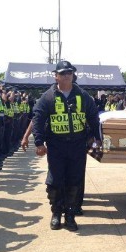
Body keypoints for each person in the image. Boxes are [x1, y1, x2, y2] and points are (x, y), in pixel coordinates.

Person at [31, 60, 101, 231]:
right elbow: (38, 119)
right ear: (56, 76)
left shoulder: (83, 96)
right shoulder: (47, 97)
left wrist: (96, 138)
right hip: (56, 146)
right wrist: (39, 142)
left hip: (77, 146)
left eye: (69, 72)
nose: (66, 75)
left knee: (74, 181)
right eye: (62, 73)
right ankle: (56, 213)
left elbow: (93, 118)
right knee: (55, 181)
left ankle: (70, 215)